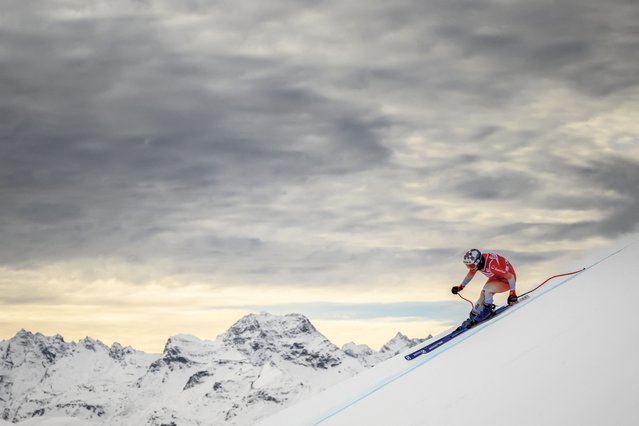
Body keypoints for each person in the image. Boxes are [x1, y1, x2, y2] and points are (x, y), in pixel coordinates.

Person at [451, 249, 518, 328]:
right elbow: (470, 275)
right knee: (483, 294)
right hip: (496, 277)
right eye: (468, 266)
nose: (470, 268)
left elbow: (510, 277)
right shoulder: (478, 263)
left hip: (507, 280)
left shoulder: (492, 265)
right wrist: (461, 286)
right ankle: (473, 315)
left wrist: (512, 294)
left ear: (478, 262)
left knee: (487, 290)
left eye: (471, 266)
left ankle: (487, 311)